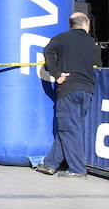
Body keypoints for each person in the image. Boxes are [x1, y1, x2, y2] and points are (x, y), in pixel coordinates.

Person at [34, 11, 99, 177]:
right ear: (85, 24)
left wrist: (56, 74)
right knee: (68, 129)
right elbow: (97, 63)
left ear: (71, 24)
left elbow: (48, 51)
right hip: (87, 91)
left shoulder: (62, 38)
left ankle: (77, 170)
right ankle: (50, 164)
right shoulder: (92, 43)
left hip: (69, 89)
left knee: (69, 130)